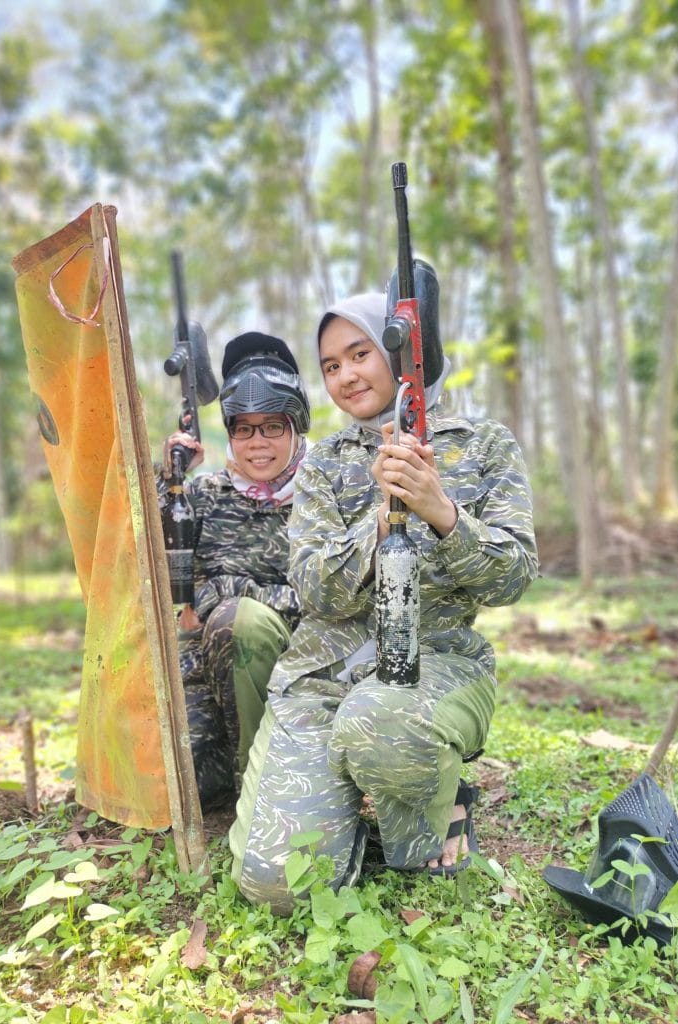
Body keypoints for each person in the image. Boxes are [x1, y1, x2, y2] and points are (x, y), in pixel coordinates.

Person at [229, 290, 538, 912]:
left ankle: (431, 813)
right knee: (277, 887)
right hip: (323, 678)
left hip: (435, 669)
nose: (345, 376)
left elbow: (513, 578)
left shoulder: (482, 444)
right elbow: (313, 587)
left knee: (380, 723)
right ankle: (346, 805)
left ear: (403, 353)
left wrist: (441, 511)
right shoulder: (322, 466)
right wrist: (377, 519)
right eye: (331, 366)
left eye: (359, 353)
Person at [158, 331, 311, 810]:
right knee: (179, 789)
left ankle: (261, 790)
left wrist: (230, 592)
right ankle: (233, 767)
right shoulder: (203, 495)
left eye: (272, 427)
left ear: (295, 428)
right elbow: (156, 571)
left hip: (299, 672)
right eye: (243, 428)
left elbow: (324, 597)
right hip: (210, 676)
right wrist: (169, 479)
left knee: (234, 619)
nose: (257, 443)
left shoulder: (321, 493)